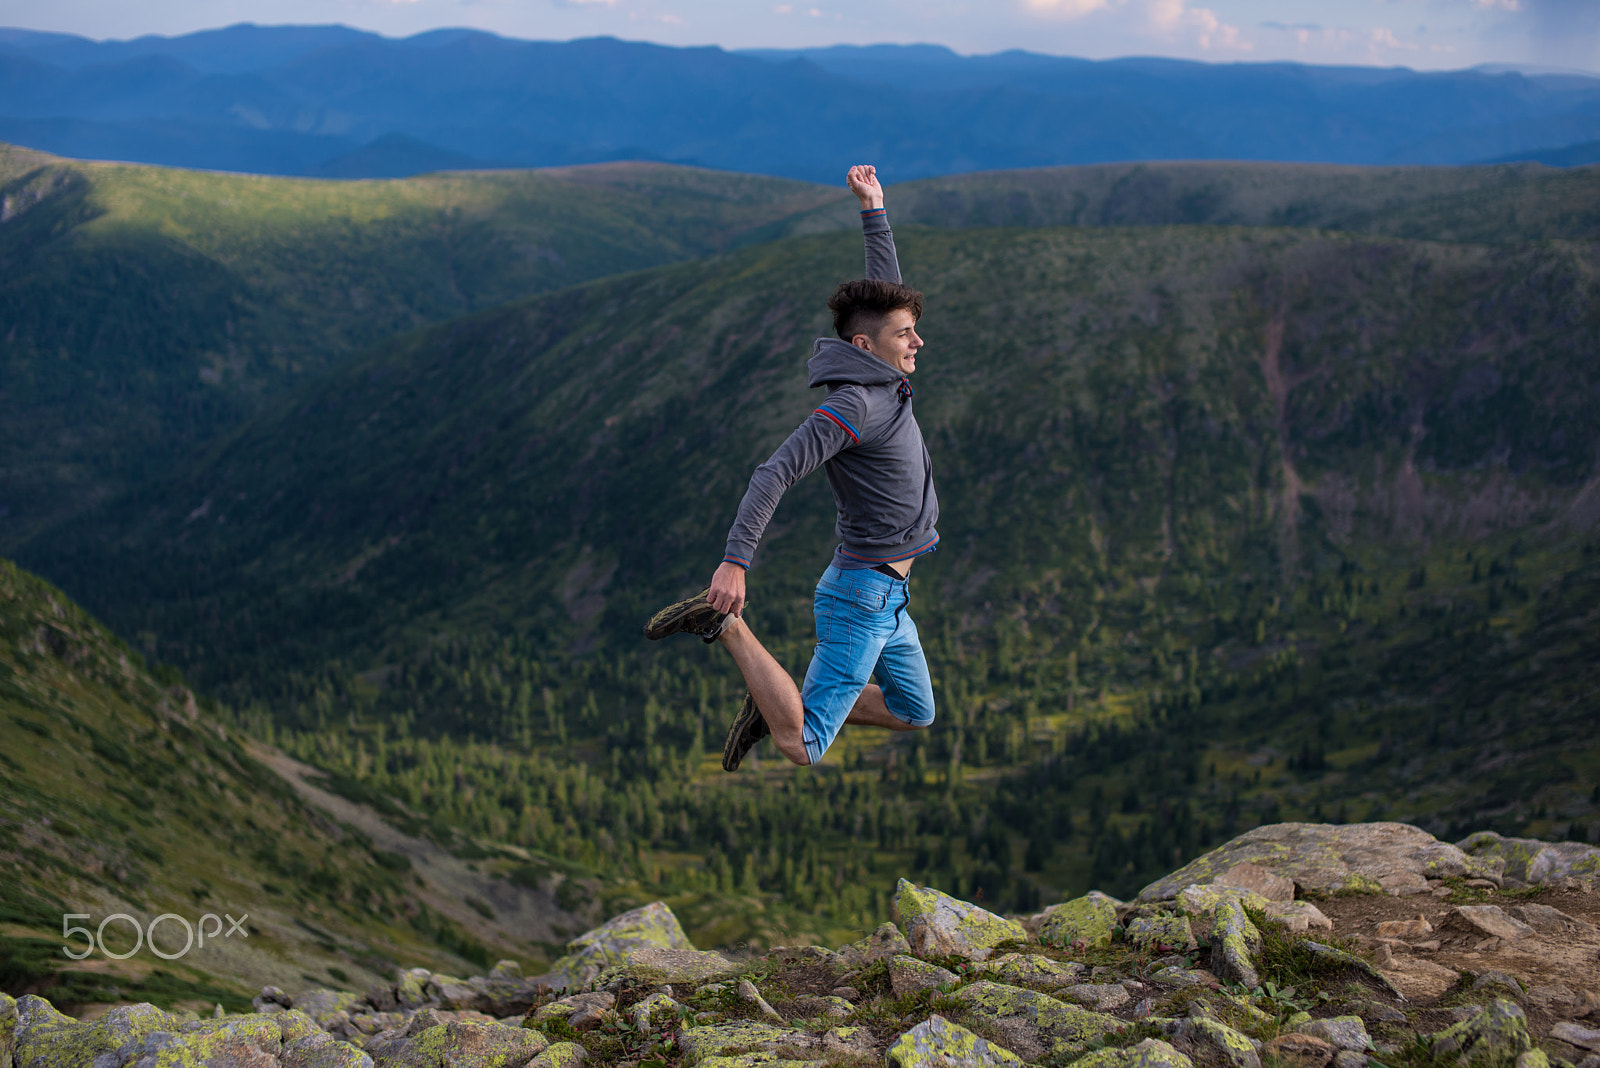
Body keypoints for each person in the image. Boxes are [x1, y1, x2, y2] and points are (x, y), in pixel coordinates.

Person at [644, 163, 940, 771]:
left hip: (892, 593)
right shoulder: (856, 404)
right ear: (867, 346)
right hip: (862, 594)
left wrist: (873, 209)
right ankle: (724, 628)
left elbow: (885, 294)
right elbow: (771, 473)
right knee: (800, 744)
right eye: (907, 335)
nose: (917, 343)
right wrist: (734, 561)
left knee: (915, 711)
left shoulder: (882, 371)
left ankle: (771, 696)